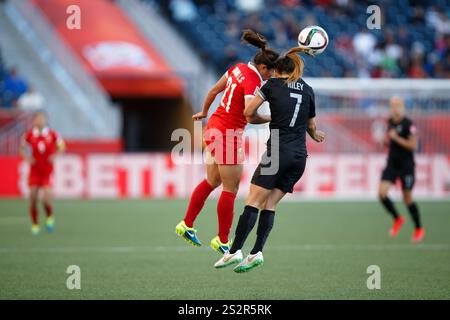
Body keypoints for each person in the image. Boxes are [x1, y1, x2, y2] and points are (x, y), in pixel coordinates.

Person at [214, 47, 325, 272]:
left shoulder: (271, 85)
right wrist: (317, 135)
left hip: (277, 152)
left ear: (277, 71)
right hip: (299, 157)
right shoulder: (308, 90)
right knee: (270, 204)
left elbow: (247, 111)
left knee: (252, 202)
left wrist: (262, 117)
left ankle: (234, 251)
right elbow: (312, 128)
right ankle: (256, 252)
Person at [175, 30, 280, 254]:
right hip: (228, 134)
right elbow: (249, 114)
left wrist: (203, 112)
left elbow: (214, 90)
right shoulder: (253, 80)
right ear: (264, 68)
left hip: (213, 126)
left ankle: (186, 224)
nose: (272, 76)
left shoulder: (237, 68)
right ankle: (222, 241)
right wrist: (273, 117)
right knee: (230, 188)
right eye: (272, 72)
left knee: (212, 181)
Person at [378, 96, 424, 242]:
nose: (394, 108)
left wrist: (396, 138)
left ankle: (418, 228)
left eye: (397, 105)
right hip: (392, 164)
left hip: (406, 166)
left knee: (407, 198)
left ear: (403, 106)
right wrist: (385, 142)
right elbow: (391, 141)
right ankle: (397, 218)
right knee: (382, 193)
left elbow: (414, 146)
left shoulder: (409, 124)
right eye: (392, 105)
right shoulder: (390, 122)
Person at [19, 111, 65, 235]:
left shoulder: (53, 134)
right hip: (34, 171)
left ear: (46, 120)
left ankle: (49, 218)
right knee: (33, 198)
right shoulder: (28, 135)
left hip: (47, 172)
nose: (40, 121)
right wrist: (27, 158)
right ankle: (35, 224)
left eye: (42, 118)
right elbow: (21, 149)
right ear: (34, 121)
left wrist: (55, 155)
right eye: (38, 119)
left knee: (45, 199)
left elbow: (62, 147)